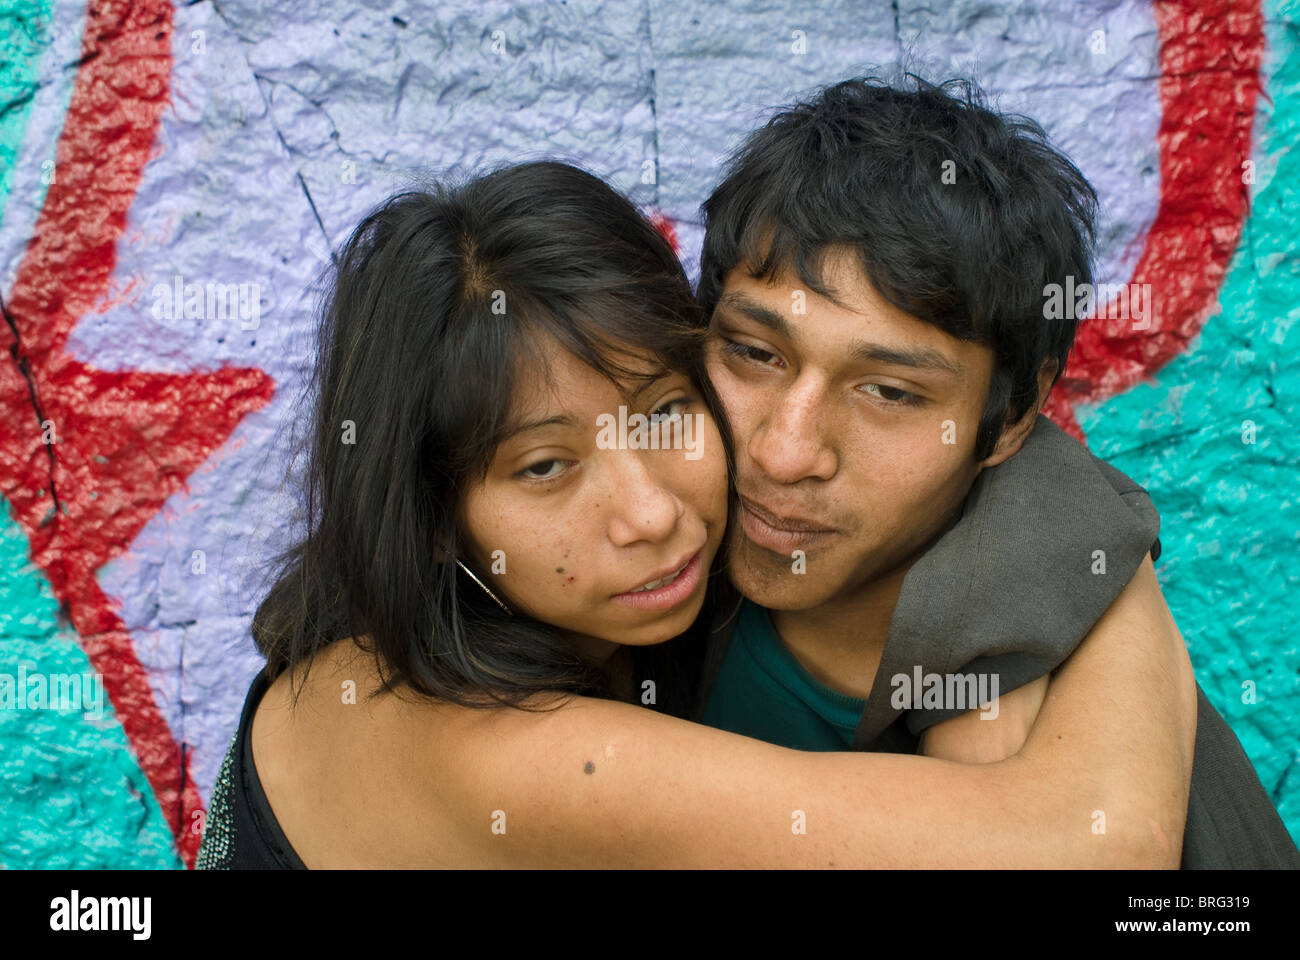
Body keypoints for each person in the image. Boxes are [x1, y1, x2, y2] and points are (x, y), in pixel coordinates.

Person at [196, 160, 1194, 869]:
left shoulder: (585, 617)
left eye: (666, 414)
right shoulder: (485, 752)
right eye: (546, 468)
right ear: (431, 514)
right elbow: (1101, 848)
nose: (649, 514)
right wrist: (1103, 555)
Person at [691, 75, 1300, 868]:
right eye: (754, 353)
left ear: (1012, 418)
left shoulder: (1054, 610)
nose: (784, 451)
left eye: (889, 392)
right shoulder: (627, 558)